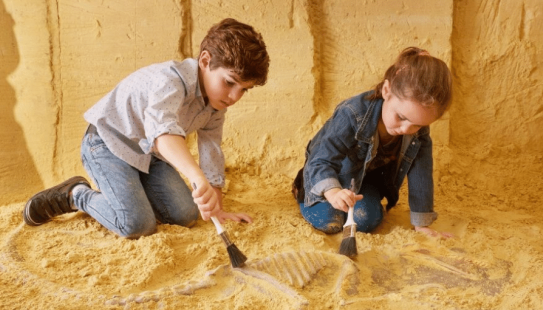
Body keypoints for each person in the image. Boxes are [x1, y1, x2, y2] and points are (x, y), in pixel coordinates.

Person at [23, 18, 270, 238]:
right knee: (137, 224)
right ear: (205, 60)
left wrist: (218, 207)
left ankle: (131, 193)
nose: (234, 96)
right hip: (108, 144)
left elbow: (211, 148)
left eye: (244, 89)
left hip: (148, 154)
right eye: (229, 82)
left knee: (186, 215)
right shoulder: (171, 80)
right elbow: (163, 133)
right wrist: (196, 177)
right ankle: (75, 194)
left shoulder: (217, 105)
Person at [292, 47, 452, 238]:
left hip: (364, 180)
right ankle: (302, 185)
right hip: (329, 172)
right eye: (401, 117)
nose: (406, 129)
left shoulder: (418, 132)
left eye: (417, 125)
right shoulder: (352, 114)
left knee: (366, 219)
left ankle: (349, 200)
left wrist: (422, 224)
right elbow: (322, 159)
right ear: (387, 90)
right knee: (329, 220)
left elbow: (421, 173)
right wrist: (333, 192)